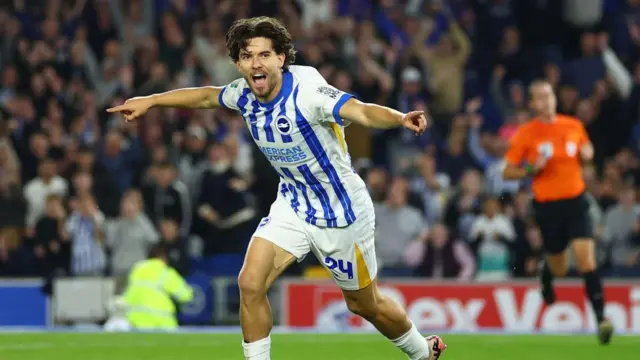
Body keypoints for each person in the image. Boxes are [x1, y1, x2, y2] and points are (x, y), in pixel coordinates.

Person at [108, 16, 446, 360]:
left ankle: (422, 351)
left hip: (341, 211)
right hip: (294, 202)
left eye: (264, 55)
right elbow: (207, 96)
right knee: (250, 283)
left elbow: (359, 110)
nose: (255, 63)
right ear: (238, 63)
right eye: (246, 56)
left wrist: (399, 117)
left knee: (364, 304)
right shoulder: (243, 93)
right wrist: (151, 100)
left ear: (282, 58)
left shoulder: (309, 91)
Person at [502, 80, 613, 344]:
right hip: (548, 207)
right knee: (560, 267)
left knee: (586, 260)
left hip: (576, 201)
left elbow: (586, 150)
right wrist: (531, 170)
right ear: (532, 103)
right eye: (539, 97)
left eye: (549, 95)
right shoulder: (526, 133)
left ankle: (601, 319)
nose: (546, 101)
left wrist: (589, 152)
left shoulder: (572, 125)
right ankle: (546, 276)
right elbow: (508, 171)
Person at [104, 243, 193, 331]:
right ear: (164, 257)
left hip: (135, 322)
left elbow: (125, 293)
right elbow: (186, 296)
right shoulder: (165, 272)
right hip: (162, 322)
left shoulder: (136, 269)